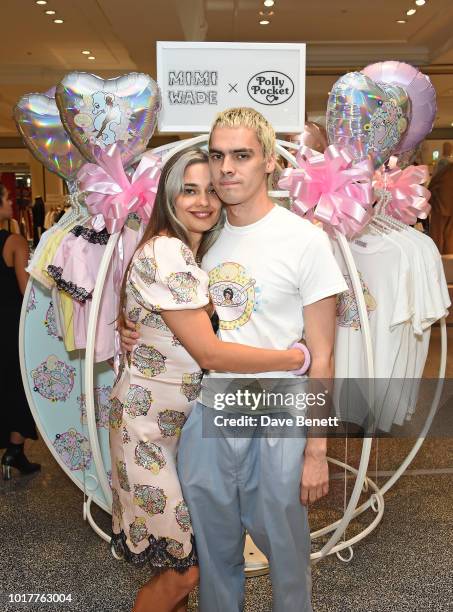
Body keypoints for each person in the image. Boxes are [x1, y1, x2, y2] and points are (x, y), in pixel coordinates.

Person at [121, 107, 347, 612]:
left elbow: (325, 354)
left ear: (268, 161)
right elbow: (167, 306)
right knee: (213, 540)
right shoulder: (202, 234)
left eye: (241, 155)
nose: (226, 169)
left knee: (284, 543)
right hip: (212, 405)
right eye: (219, 155)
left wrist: (316, 451)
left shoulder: (306, 240)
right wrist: (131, 327)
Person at [0, 183, 40, 479]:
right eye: (6, 198)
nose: (11, 202)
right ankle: (15, 452)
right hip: (10, 325)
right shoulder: (14, 241)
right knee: (18, 385)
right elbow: (27, 291)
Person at [429, 162, 453, 254]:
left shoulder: (446, 169)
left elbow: (432, 186)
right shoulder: (447, 169)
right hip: (444, 207)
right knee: (448, 239)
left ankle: (438, 260)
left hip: (440, 207)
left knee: (437, 238)